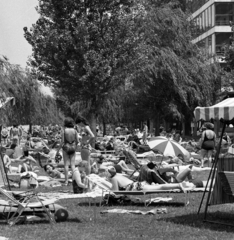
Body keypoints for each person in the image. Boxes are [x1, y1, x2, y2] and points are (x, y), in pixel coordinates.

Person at [107, 166, 195, 192]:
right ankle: (181, 185)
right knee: (160, 187)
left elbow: (115, 193)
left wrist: (108, 190)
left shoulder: (114, 179)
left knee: (161, 187)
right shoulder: (120, 176)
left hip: (137, 187)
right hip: (139, 184)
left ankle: (180, 185)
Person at [57, 117, 79, 186]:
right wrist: (74, 145)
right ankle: (74, 180)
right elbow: (78, 141)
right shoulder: (75, 131)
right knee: (73, 165)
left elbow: (62, 142)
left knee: (66, 165)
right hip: (73, 147)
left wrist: (58, 150)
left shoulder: (64, 130)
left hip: (66, 148)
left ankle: (66, 181)